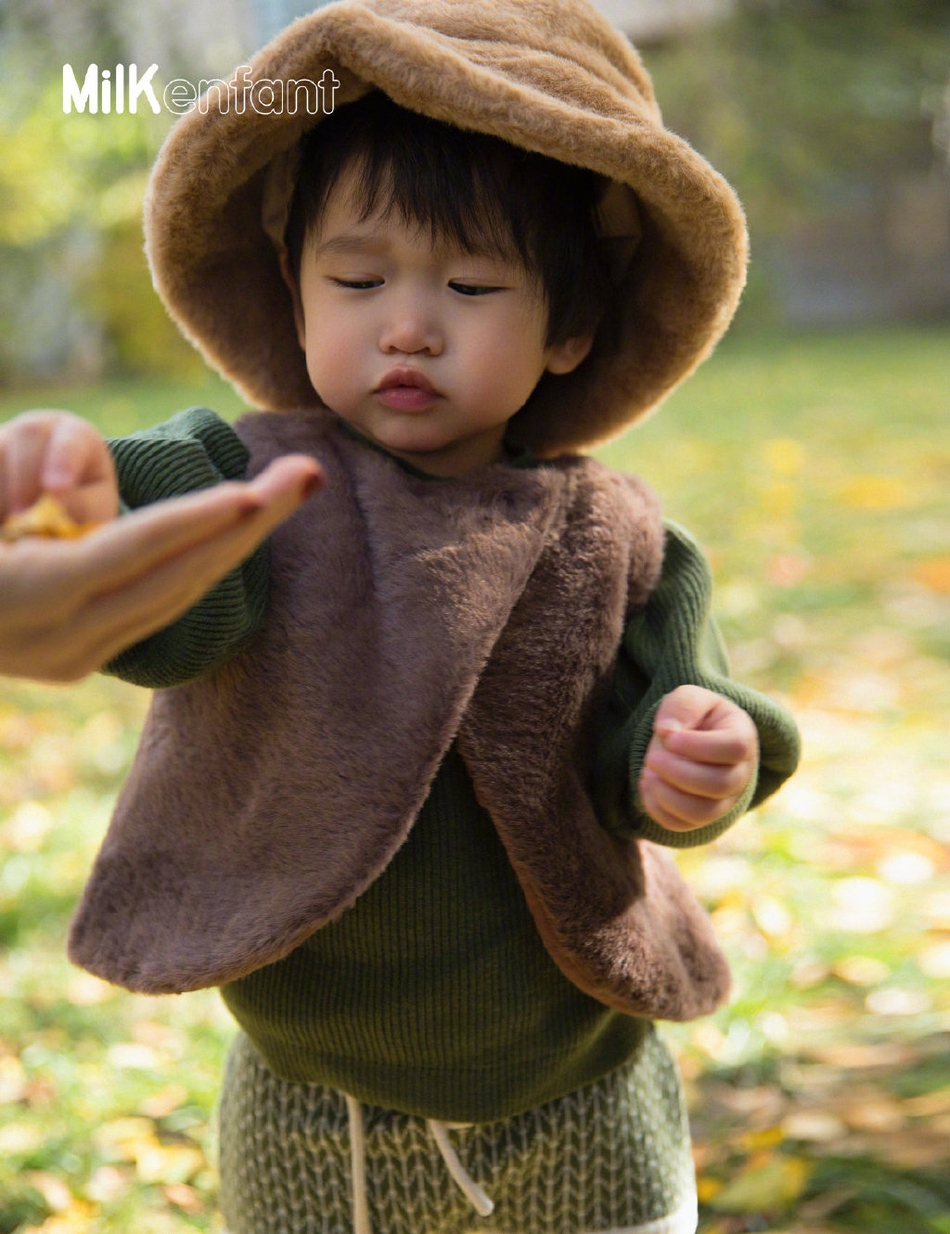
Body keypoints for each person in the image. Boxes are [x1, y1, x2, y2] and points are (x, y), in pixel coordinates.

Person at [2, 2, 801, 1231]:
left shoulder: (620, 540)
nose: (407, 324)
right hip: (314, 1104)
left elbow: (674, 711)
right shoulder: (256, 481)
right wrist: (75, 497)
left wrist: (701, 753)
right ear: (294, 287)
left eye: (472, 284)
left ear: (569, 329)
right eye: (358, 277)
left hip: (577, 1083)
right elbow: (172, 563)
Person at [0, 410, 322, 681]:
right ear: (299, 333)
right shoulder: (261, 454)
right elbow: (194, 625)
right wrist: (95, 516)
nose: (376, 338)